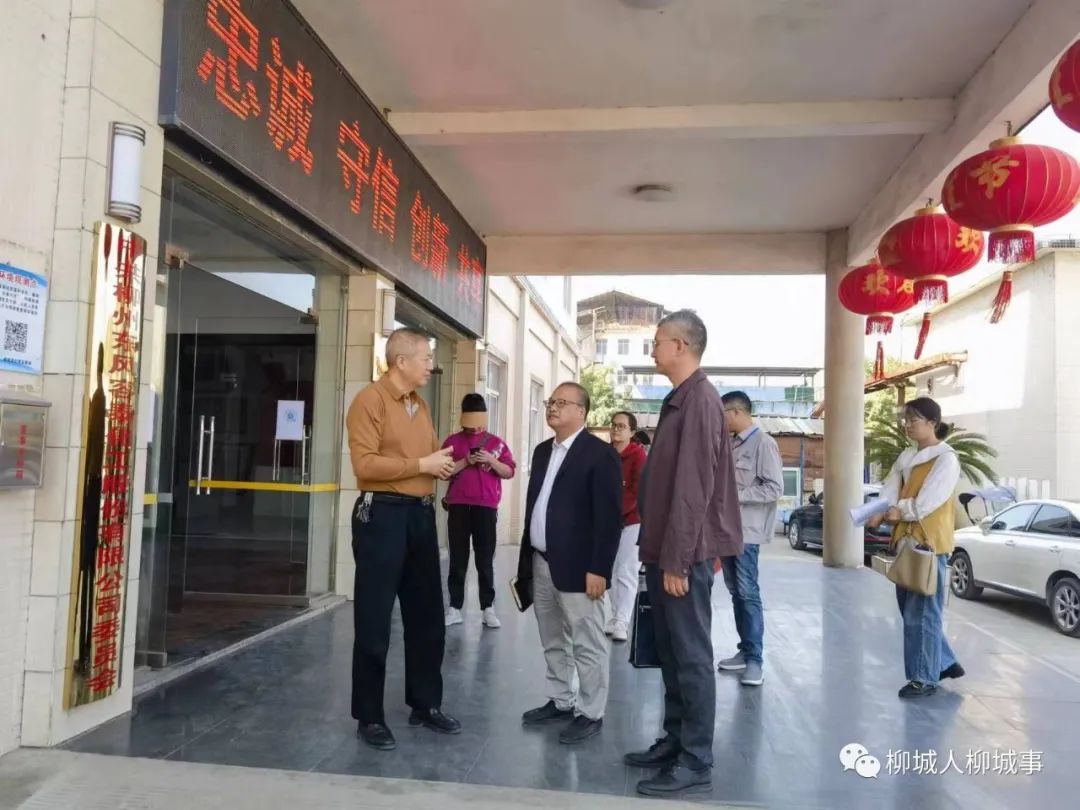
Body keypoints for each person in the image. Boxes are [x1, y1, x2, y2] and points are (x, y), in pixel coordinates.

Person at [625, 310, 742, 798]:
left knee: (691, 655)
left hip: (684, 554)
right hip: (665, 548)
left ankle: (696, 758)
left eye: (657, 341)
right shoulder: (680, 398)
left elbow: (694, 489)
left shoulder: (700, 401)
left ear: (680, 346)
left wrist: (676, 559)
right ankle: (675, 740)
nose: (652, 349)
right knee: (671, 651)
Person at [346, 328, 461, 751]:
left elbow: (426, 460)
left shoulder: (420, 404)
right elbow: (365, 465)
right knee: (375, 619)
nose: (432, 365)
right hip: (382, 515)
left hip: (420, 516)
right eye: (426, 358)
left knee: (428, 617)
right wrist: (422, 464)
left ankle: (425, 704)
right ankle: (369, 716)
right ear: (401, 361)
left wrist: (441, 466)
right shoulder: (369, 401)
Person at [517, 382, 623, 744]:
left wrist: (600, 569)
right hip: (542, 561)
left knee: (588, 642)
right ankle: (560, 699)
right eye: (551, 401)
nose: (553, 407)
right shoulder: (542, 451)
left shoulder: (599, 454)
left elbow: (609, 519)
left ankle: (591, 712)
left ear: (582, 411)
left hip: (581, 568)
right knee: (552, 638)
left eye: (562, 403)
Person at [870, 397, 964, 699]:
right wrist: (878, 511)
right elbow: (890, 489)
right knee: (912, 609)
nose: (907, 425)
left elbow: (928, 501)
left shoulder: (946, 459)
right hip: (906, 542)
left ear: (933, 423)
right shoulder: (907, 456)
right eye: (906, 419)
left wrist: (899, 511)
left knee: (921, 612)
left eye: (914, 419)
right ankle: (944, 662)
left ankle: (924, 678)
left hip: (929, 544)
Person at [716, 391, 783, 687]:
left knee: (747, 592)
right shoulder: (731, 444)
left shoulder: (763, 443)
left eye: (723, 415)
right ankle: (745, 651)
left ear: (736, 412)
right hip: (727, 530)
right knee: (736, 592)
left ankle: (755, 660)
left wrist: (735, 495)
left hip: (748, 532)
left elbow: (774, 488)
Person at [442, 393, 516, 629]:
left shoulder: (496, 443)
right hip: (458, 505)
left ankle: (488, 607)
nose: (475, 427)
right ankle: (455, 607)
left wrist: (490, 460)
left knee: (485, 560)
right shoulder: (452, 442)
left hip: (486, 507)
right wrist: (466, 461)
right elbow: (443, 472)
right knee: (457, 558)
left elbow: (509, 471)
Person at [607, 411, 648, 642]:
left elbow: (638, 491)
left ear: (632, 432)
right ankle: (614, 616)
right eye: (614, 425)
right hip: (607, 523)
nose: (616, 429)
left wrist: (616, 511)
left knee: (626, 571)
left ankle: (622, 620)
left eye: (622, 426)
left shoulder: (638, 456)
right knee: (609, 571)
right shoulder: (605, 454)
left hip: (632, 522)